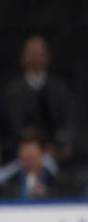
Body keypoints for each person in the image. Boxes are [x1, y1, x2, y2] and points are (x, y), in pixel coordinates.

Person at [1, 35, 74, 165]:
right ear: (23, 57)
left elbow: (66, 125)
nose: (35, 58)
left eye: (39, 54)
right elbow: (8, 127)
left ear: (47, 57)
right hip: (17, 159)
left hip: (53, 159)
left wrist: (56, 147)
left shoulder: (59, 91)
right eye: (31, 54)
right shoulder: (12, 92)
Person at [0, 128, 62, 199]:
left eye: (33, 158)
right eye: (25, 159)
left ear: (42, 156)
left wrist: (48, 193)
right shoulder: (11, 182)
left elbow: (66, 196)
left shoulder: (54, 179)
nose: (30, 162)